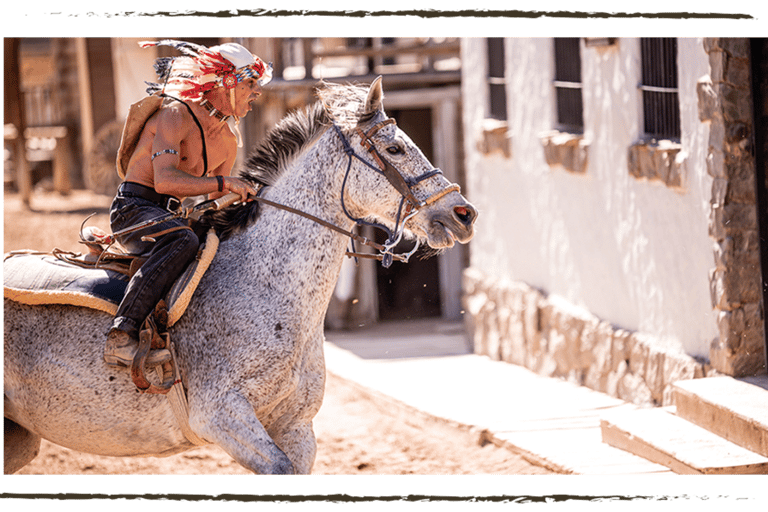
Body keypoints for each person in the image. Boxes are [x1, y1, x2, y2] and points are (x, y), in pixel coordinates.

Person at [104, 39, 271, 367]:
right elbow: (165, 181)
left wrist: (252, 197)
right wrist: (226, 183)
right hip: (133, 211)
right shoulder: (174, 114)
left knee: (216, 247)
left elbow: (214, 205)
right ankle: (121, 335)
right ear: (228, 84)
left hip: (174, 217)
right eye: (251, 84)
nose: (257, 93)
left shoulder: (228, 141)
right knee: (183, 238)